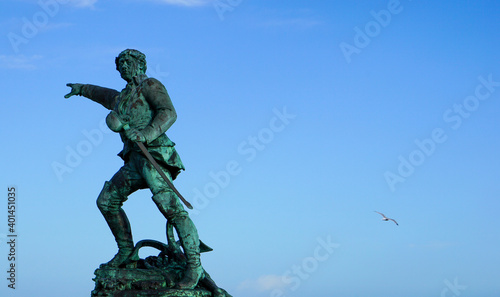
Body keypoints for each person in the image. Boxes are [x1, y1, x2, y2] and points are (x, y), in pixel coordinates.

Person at [64, 49, 203, 289]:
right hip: (133, 161)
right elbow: (103, 95)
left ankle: (194, 266)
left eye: (128, 62)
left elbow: (168, 112)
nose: (123, 67)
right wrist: (82, 89)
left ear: (140, 64)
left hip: (154, 155)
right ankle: (127, 251)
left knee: (170, 207)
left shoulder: (150, 85)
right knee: (106, 201)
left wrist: (146, 133)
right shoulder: (122, 98)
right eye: (120, 64)